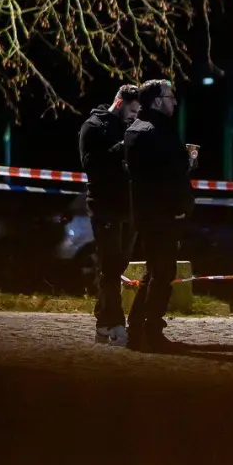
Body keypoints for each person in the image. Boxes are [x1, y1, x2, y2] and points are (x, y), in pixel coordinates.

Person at [122, 79, 194, 353]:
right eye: (170, 97)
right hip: (162, 213)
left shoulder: (135, 130)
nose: (174, 102)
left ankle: (137, 328)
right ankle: (150, 331)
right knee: (163, 272)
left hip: (145, 212)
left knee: (156, 270)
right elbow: (169, 175)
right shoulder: (159, 131)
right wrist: (181, 204)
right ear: (156, 101)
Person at [77, 83, 142, 345]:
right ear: (119, 103)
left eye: (138, 111)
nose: (134, 115)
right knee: (111, 266)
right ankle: (114, 323)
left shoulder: (132, 128)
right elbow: (90, 164)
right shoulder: (93, 127)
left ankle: (103, 319)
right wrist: (121, 147)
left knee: (119, 265)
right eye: (131, 109)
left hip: (128, 208)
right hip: (104, 206)